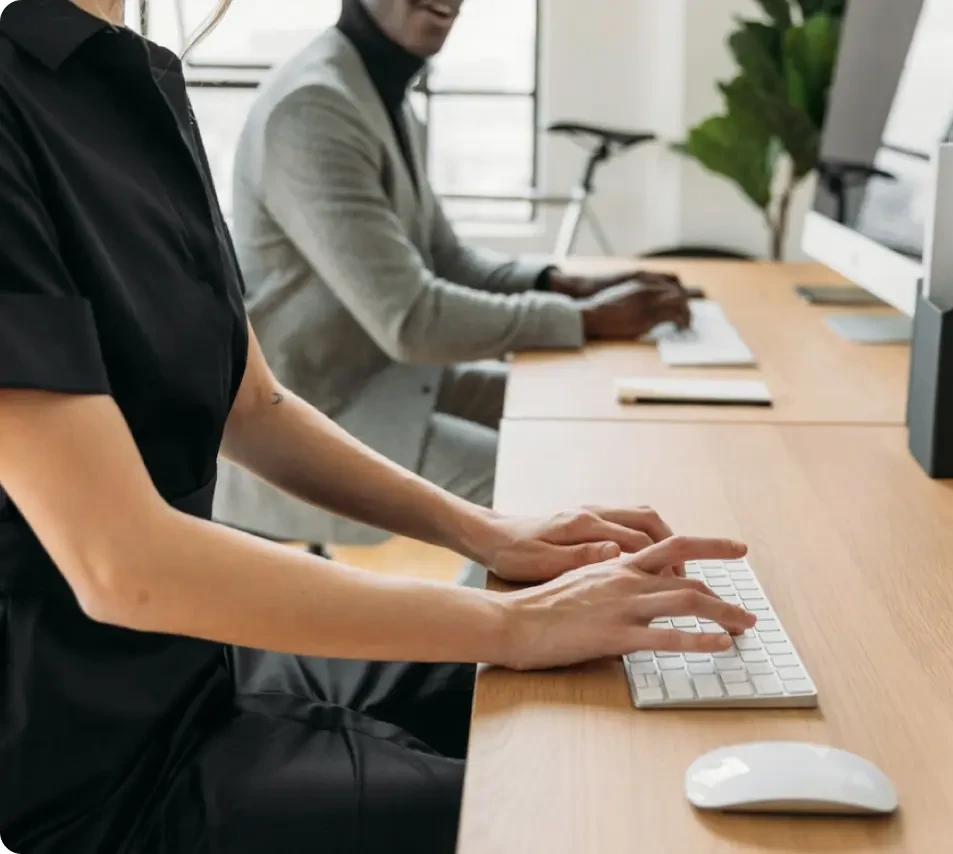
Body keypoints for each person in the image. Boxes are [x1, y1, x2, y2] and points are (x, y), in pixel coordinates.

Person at [0, 1, 754, 852]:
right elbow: (119, 566)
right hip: (109, 761)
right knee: (580, 813)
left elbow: (256, 406)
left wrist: (490, 533)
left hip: (208, 661)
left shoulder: (140, 83)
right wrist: (513, 624)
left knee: (593, 700)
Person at [212, 0, 692, 550]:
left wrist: (563, 283)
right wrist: (586, 319)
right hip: (318, 415)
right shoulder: (312, 108)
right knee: (549, 494)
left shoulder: (378, 97)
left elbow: (445, 258)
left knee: (572, 429)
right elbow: (411, 320)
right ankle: (508, 628)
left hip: (384, 383)